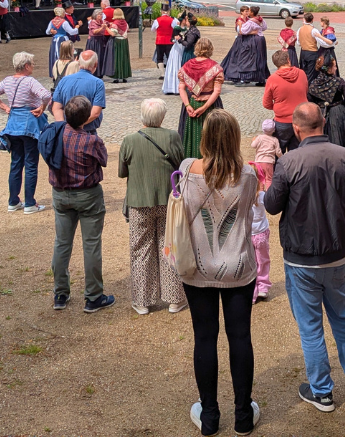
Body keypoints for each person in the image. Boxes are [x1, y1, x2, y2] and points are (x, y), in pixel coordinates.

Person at [263, 103, 345, 413]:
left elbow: (272, 205)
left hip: (301, 256)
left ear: (296, 130)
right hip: (336, 253)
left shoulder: (289, 162)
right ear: (323, 122)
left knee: (311, 325)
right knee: (342, 316)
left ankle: (322, 391)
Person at [178, 109, 261, 435]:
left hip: (198, 265)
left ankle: (209, 415)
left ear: (205, 137)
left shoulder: (187, 170)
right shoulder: (249, 175)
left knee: (205, 337)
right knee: (240, 336)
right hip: (237, 265)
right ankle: (242, 414)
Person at [118, 98, 186, 315]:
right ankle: (174, 299)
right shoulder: (172, 137)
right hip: (168, 200)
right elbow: (181, 162)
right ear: (162, 117)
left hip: (139, 201)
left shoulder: (129, 140)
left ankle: (142, 301)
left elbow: (122, 172)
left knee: (141, 250)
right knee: (170, 247)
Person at [47, 95, 113, 313]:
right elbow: (103, 160)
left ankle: (60, 293)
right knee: (91, 244)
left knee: (62, 243)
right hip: (87, 195)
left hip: (60, 193)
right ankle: (93, 296)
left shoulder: (56, 133)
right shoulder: (91, 141)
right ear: (86, 119)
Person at [0, 52, 51, 214]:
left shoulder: (7, 80)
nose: (33, 66)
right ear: (26, 66)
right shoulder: (30, 81)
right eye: (32, 63)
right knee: (31, 164)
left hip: (13, 124)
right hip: (29, 124)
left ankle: (13, 201)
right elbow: (46, 95)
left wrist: (6, 107)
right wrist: (41, 108)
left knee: (16, 163)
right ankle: (30, 203)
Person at [177, 38, 224, 158]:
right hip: (211, 105)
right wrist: (205, 107)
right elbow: (217, 91)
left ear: (196, 48)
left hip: (191, 103)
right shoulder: (215, 67)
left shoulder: (187, 66)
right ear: (210, 49)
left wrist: (187, 105)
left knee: (191, 135)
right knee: (212, 135)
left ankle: (190, 163)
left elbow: (181, 88)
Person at [306, 56, 345, 157]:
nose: (336, 68)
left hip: (321, 116)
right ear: (329, 69)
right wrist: (338, 102)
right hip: (339, 114)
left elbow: (310, 102)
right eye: (334, 66)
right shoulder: (339, 82)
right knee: (344, 141)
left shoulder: (313, 85)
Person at [262, 50, 307, 153]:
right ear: (288, 60)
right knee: (297, 152)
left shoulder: (272, 79)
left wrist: (279, 106)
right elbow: (305, 91)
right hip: (300, 119)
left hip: (282, 121)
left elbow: (266, 103)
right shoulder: (302, 74)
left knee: (278, 152)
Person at [51, 50, 105, 133]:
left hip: (66, 130)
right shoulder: (98, 83)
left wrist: (64, 126)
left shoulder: (64, 80)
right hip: (88, 131)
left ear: (79, 64)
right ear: (95, 64)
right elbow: (95, 113)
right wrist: (78, 126)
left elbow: (56, 108)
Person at [223, 6, 270, 86]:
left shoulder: (250, 21)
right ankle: (259, 79)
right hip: (255, 40)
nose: (247, 13)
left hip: (251, 41)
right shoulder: (259, 19)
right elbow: (264, 27)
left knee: (249, 59)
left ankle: (245, 78)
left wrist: (251, 32)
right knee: (258, 58)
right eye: (246, 11)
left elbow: (243, 31)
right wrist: (254, 31)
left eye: (249, 11)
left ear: (252, 12)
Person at [162, 14, 197, 95]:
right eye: (185, 19)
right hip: (177, 48)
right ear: (182, 20)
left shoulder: (188, 29)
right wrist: (176, 39)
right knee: (175, 65)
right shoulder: (176, 28)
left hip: (184, 48)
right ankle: (173, 87)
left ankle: (182, 86)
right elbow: (171, 38)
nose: (186, 21)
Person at [45, 7, 81, 79]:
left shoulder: (52, 21)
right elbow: (71, 32)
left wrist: (51, 31)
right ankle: (64, 71)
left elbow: (47, 32)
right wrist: (77, 27)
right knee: (64, 54)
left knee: (55, 54)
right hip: (63, 40)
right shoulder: (64, 22)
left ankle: (55, 72)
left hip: (54, 40)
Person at [250, 119, 282, 187]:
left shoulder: (259, 138)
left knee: (260, 179)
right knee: (269, 179)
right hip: (269, 162)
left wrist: (254, 140)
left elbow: (253, 145)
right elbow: (278, 152)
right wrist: (282, 157)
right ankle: (268, 194)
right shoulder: (275, 140)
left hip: (258, 161)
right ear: (274, 130)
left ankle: (260, 193)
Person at [86, 10, 115, 80]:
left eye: (102, 14)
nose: (101, 16)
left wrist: (111, 25)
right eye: (99, 15)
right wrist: (102, 28)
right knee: (94, 56)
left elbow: (109, 24)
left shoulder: (103, 22)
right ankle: (93, 72)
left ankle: (100, 73)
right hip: (94, 41)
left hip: (101, 40)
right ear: (95, 15)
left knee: (101, 56)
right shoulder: (93, 22)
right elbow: (94, 31)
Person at [109, 10, 132, 83]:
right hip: (124, 41)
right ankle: (124, 76)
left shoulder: (115, 24)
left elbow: (113, 33)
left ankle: (117, 76)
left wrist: (106, 28)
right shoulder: (125, 23)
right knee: (124, 58)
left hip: (118, 41)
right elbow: (127, 30)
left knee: (117, 59)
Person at [153, 9, 177, 75]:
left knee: (160, 58)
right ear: (168, 12)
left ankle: (162, 74)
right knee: (170, 57)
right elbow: (175, 28)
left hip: (159, 41)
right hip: (169, 41)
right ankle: (169, 72)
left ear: (161, 11)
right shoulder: (172, 20)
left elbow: (153, 29)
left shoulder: (157, 20)